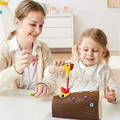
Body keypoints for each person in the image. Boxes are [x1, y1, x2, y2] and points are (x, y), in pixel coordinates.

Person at [42, 28, 120, 103]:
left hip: (91, 108)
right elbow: (48, 76)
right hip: (66, 104)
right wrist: (53, 69)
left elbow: (115, 90)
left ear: (103, 52)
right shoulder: (69, 66)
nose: (90, 54)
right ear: (79, 49)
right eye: (86, 50)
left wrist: (113, 96)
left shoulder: (105, 70)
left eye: (95, 50)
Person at [0, 0, 52, 97]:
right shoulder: (4, 49)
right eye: (33, 24)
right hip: (12, 105)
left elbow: (51, 76)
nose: (38, 30)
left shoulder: (43, 48)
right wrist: (15, 70)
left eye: (41, 25)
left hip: (37, 103)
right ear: (17, 22)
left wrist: (46, 84)